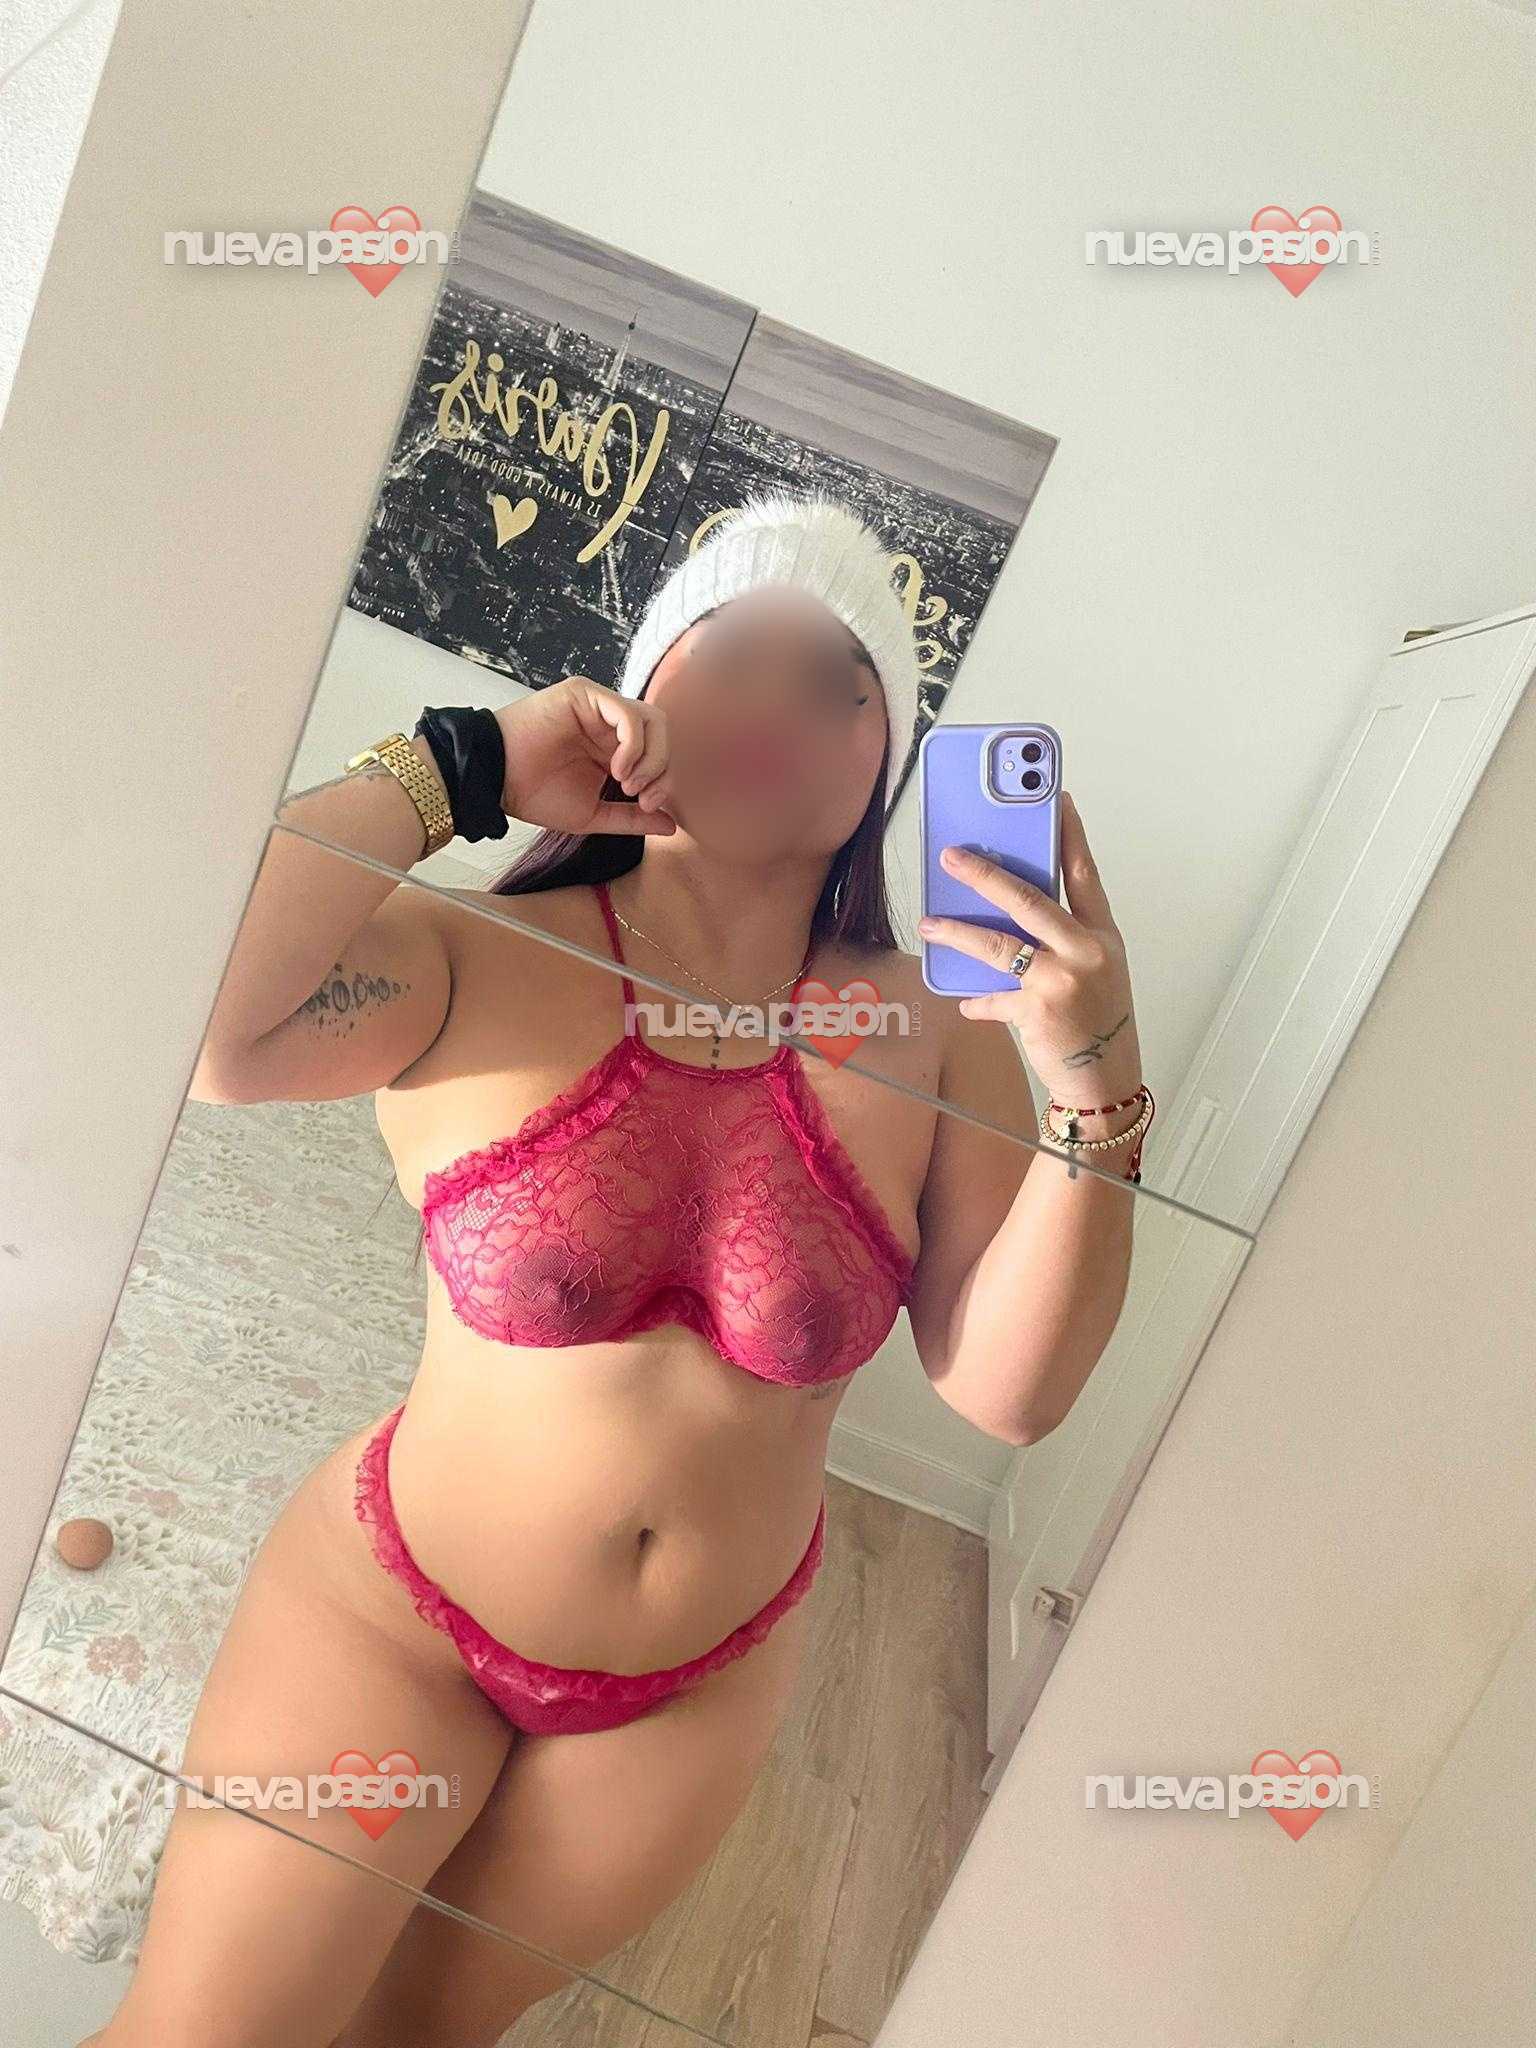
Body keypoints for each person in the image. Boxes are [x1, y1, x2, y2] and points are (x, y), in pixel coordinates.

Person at [84, 488, 1148, 2048]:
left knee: (415, 2043)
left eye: (840, 682)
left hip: (691, 1692)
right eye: (735, 653)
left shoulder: (939, 1036)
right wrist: (459, 767)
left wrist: (1094, 1085)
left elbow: (1008, 1395)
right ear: (640, 690)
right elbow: (213, 1039)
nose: (780, 704)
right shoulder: (484, 956)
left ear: (890, 765)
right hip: (399, 1617)